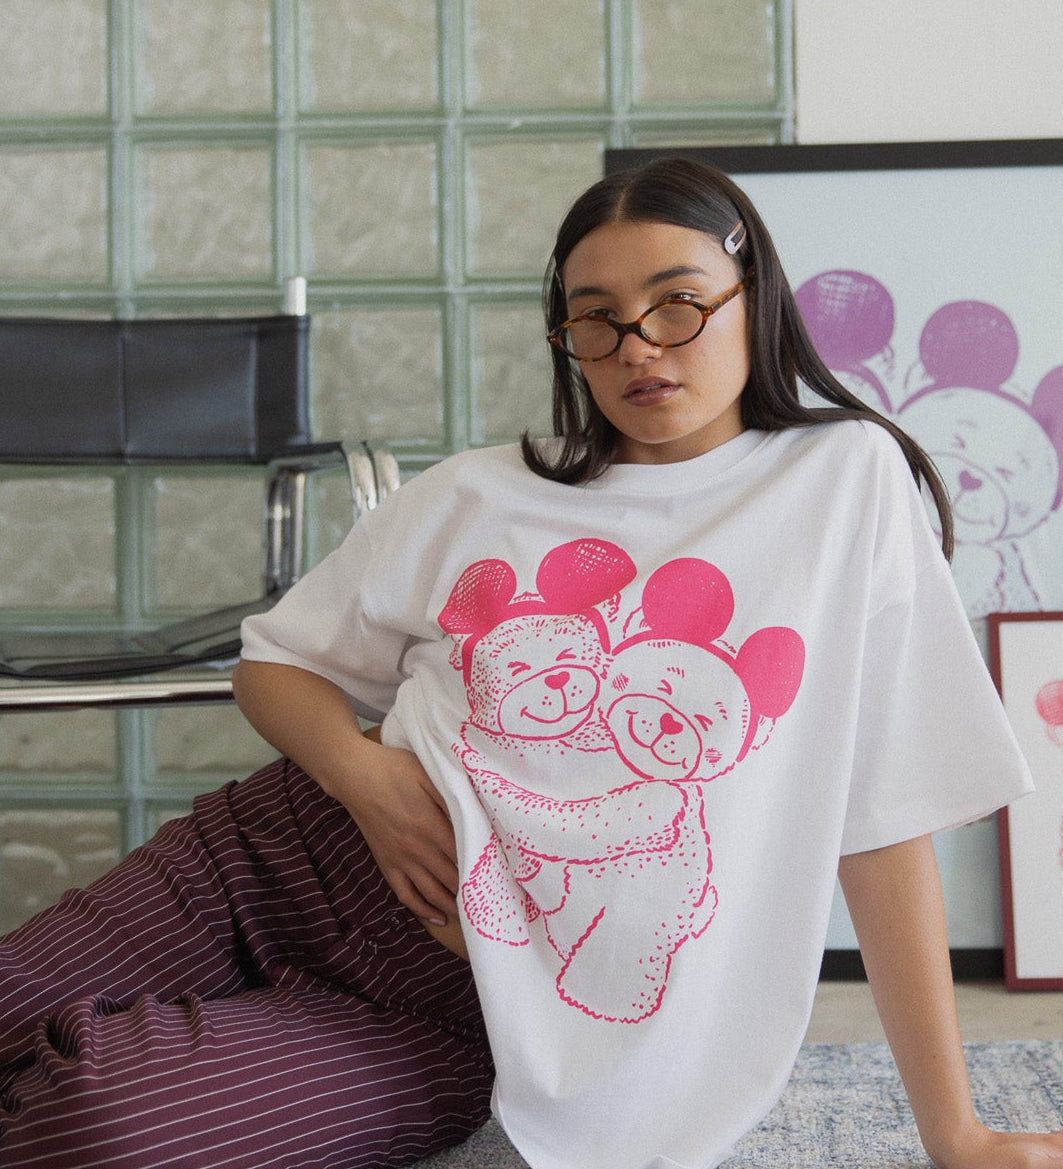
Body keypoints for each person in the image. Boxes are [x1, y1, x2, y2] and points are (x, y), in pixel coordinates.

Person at [1, 157, 1061, 1169]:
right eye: (594, 317)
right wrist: (367, 781)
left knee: (100, 1125)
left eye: (677, 303)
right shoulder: (480, 490)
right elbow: (275, 663)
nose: (639, 345)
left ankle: (135, 1046)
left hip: (450, 1007)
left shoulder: (844, 483)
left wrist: (954, 1131)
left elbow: (881, 822)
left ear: (755, 297)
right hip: (276, 861)